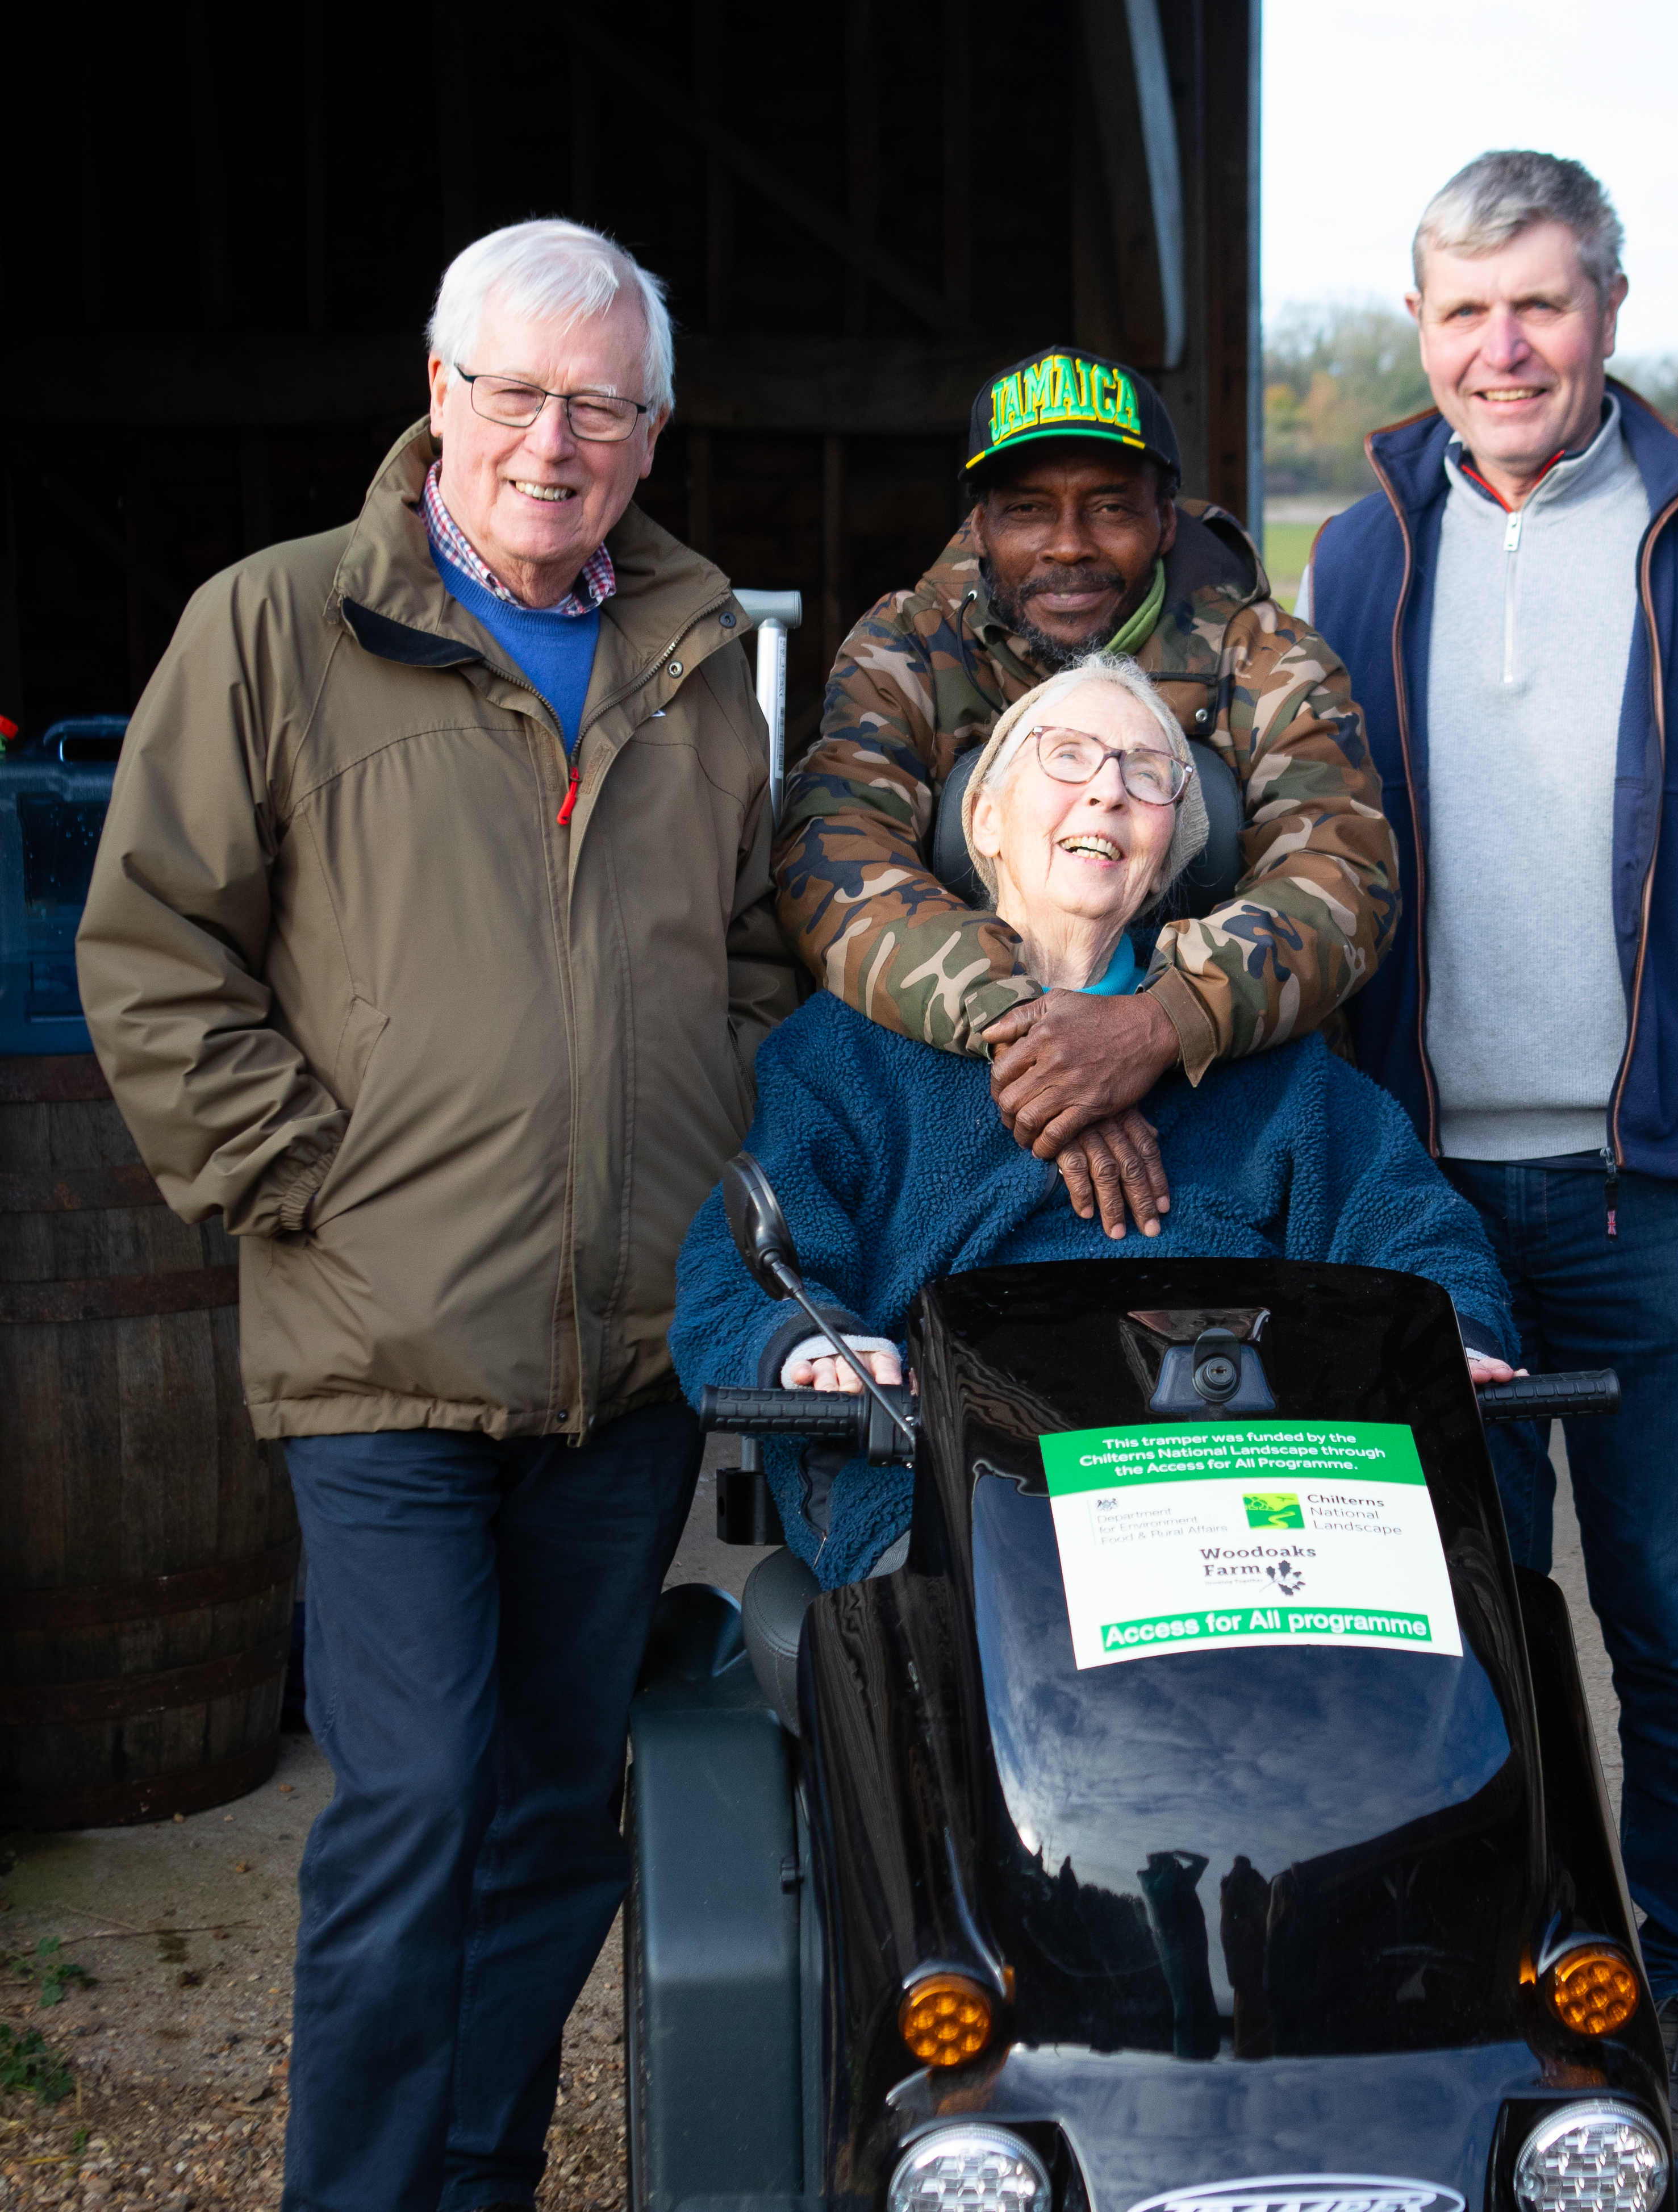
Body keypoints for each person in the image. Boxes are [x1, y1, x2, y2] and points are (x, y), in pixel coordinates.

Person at [76, 219, 799, 2212]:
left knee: (557, 1810)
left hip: (630, 1345)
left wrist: (704, 1165)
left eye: (598, 405)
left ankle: (472, 2177)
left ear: (650, 435)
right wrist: (302, 1181)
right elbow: (152, 947)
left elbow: (751, 950)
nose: (551, 441)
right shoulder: (274, 626)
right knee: (414, 1800)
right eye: (515, 394)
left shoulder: (698, 656)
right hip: (383, 1346)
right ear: (437, 397)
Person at [1302, 152, 1678, 2155]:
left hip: (1663, 1195)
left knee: (1676, 1620)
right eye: (1464, 313)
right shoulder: (1360, 548)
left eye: (1538, 304)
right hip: (1423, 1193)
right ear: (1422, 333)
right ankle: (1505, 1962)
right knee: (1450, 1619)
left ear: (1610, 311)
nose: (1503, 348)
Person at [674, 656, 1515, 1584]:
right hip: (955, 1491)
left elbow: (1414, 1228)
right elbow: (741, 1264)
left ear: (1167, 861)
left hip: (1240, 1508)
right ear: (984, 821)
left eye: (1146, 774)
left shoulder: (1277, 1070)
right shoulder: (844, 1054)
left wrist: (1455, 1331)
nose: (1108, 791)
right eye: (1067, 756)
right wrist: (806, 1342)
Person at [774, 346, 1400, 1240]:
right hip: (949, 1107)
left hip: (1225, 1118)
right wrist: (1035, 1032)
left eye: (1110, 507)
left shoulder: (1262, 652)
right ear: (981, 523)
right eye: (1029, 510)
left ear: (1167, 519)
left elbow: (1348, 874)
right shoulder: (910, 642)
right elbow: (828, 857)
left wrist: (1155, 1024)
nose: (1068, 545)